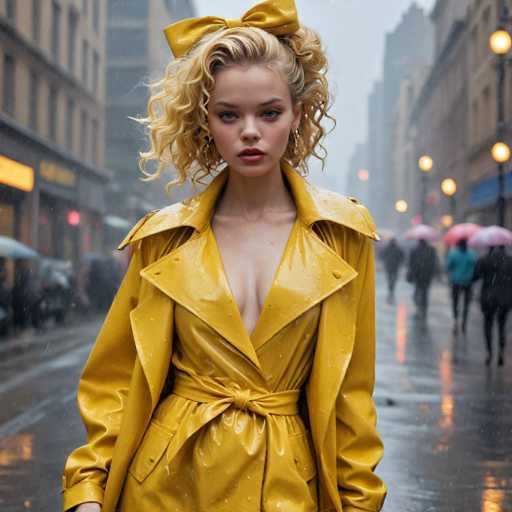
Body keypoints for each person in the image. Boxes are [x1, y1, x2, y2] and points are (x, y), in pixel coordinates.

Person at [62, 2, 387, 511]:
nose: (250, 131)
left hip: (285, 487)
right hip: (164, 486)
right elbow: (114, 380)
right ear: (206, 122)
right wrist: (87, 492)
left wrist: (360, 501)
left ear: (297, 115)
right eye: (229, 114)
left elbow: (352, 397)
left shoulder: (341, 236)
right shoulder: (163, 239)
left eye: (270, 112)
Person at [472, 246, 512, 366]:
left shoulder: (484, 259)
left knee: (488, 324)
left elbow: (475, 276)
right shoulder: (510, 260)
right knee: (502, 325)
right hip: (505, 297)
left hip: (488, 297)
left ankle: (489, 352)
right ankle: (500, 351)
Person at [445, 238, 477, 334]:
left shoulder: (453, 254)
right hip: (468, 282)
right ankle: (464, 321)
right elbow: (476, 266)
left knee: (455, 302)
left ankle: (456, 320)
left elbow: (448, 266)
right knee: (466, 303)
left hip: (456, 281)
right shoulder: (472, 254)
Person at [406, 239, 440, 319]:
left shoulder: (415, 250)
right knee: (424, 292)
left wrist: (411, 272)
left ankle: (419, 306)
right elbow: (434, 263)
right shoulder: (431, 250)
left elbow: (410, 263)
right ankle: (423, 308)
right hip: (426, 275)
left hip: (418, 275)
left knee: (418, 291)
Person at [379, 238, 405, 304]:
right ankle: (391, 290)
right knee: (393, 279)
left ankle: (390, 290)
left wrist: (385, 260)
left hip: (389, 267)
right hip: (395, 267)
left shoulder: (387, 249)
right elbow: (402, 257)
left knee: (390, 279)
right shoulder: (397, 249)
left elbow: (381, 255)